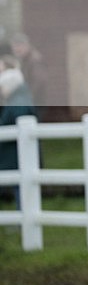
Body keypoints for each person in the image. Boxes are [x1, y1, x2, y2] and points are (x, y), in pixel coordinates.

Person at [0, 68, 37, 208]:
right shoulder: (20, 98)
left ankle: (23, 215)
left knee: (21, 187)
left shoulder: (18, 102)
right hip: (15, 153)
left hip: (16, 154)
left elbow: (15, 121)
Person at [10, 33, 47, 111]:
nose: (16, 51)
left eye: (18, 47)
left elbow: (39, 80)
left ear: (25, 45)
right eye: (14, 48)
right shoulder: (25, 60)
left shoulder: (34, 60)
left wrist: (29, 97)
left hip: (35, 103)